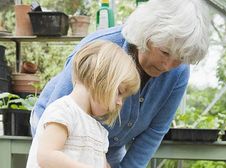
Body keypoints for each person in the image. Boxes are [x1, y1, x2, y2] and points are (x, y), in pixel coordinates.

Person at [30, 0, 210, 167]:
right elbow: (51, 144)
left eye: (180, 59)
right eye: (164, 52)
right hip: (58, 133)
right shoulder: (99, 50)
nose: (168, 66)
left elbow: (154, 131)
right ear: (147, 34)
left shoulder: (178, 74)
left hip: (104, 143)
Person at [26, 40, 140, 168]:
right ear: (100, 79)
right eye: (119, 92)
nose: (120, 102)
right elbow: (47, 157)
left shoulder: (99, 131)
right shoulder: (63, 111)